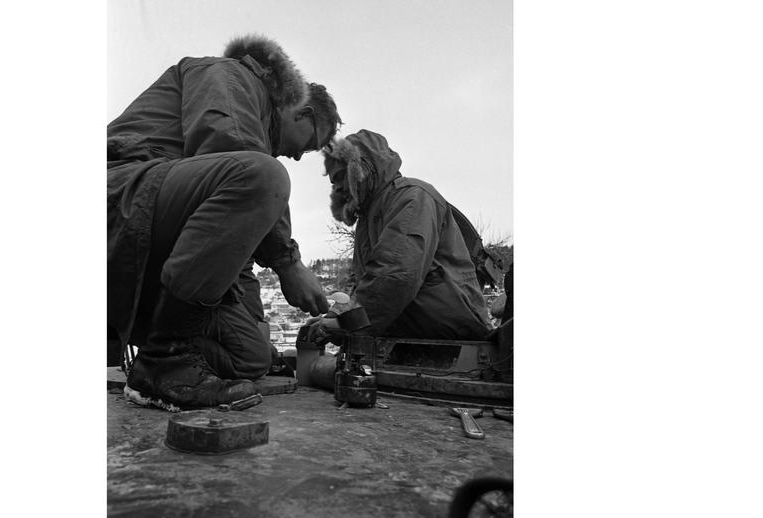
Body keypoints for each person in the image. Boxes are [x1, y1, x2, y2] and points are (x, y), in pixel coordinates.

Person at [107, 34, 342, 408]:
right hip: (121, 199)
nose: (299, 156)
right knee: (264, 177)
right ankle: (163, 363)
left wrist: (255, 322)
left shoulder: (244, 155)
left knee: (251, 356)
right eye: (310, 143)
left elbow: (227, 245)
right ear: (300, 111)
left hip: (151, 221)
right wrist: (288, 264)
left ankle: (161, 349)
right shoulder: (230, 76)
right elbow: (229, 145)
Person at [314, 129, 493, 342]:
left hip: (456, 342)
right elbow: (368, 283)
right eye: (333, 182)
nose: (337, 188)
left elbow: (394, 275)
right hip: (415, 341)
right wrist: (337, 317)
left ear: (361, 167)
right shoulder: (369, 216)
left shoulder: (412, 198)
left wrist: (349, 324)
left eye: (340, 177)